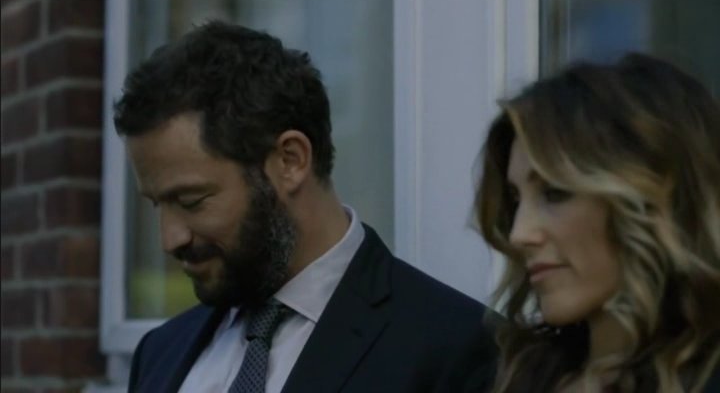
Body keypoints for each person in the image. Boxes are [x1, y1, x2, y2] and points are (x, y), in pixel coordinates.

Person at [115, 20, 498, 393]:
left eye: (191, 201)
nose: (170, 239)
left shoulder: (459, 348)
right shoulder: (159, 352)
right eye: (157, 205)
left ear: (290, 160)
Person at [473, 53, 720, 392]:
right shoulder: (509, 376)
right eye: (516, 201)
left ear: (651, 199)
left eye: (555, 192)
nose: (519, 234)